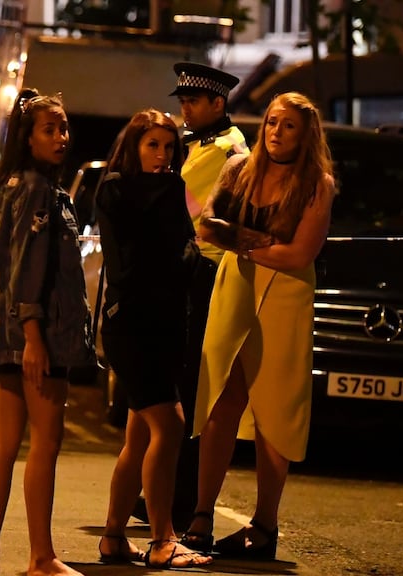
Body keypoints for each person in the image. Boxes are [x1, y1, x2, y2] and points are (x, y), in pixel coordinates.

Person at [183, 91, 335, 559]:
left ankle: (264, 525)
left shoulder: (316, 183)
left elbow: (299, 254)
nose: (276, 132)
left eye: (288, 125)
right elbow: (207, 225)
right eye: (271, 122)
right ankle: (202, 514)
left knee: (276, 409)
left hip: (286, 296)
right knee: (221, 400)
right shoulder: (238, 170)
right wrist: (253, 242)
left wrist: (243, 242)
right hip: (236, 287)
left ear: (305, 134)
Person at [0, 89, 98, 576]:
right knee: (46, 440)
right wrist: (34, 334)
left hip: (9, 331)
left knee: (6, 440)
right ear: (28, 137)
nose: (62, 137)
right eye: (50, 129)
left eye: (64, 128)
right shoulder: (37, 189)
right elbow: (26, 267)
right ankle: (41, 556)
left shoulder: (15, 186)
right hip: (33, 334)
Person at [132, 60, 251, 533]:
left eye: (192, 101)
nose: (183, 108)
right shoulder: (194, 142)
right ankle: (162, 492)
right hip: (184, 269)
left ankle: (179, 502)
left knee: (187, 387)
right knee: (172, 384)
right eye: (181, 100)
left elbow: (181, 204)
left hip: (204, 271)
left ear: (218, 104)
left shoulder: (229, 149)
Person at [93, 109, 213, 571]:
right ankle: (163, 539)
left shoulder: (170, 189)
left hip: (164, 325)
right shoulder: (118, 188)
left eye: (169, 147)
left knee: (138, 435)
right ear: (133, 146)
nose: (162, 155)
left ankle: (113, 537)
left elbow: (185, 249)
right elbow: (136, 263)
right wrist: (185, 254)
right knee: (170, 424)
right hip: (133, 323)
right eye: (152, 145)